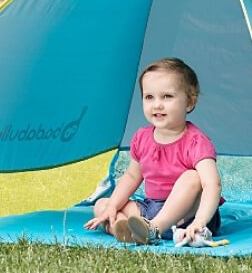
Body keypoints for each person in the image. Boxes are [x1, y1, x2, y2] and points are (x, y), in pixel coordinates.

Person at [84, 57, 222, 245]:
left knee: (193, 177)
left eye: (167, 97)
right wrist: (113, 206)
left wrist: (200, 221)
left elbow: (212, 184)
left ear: (189, 102)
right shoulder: (142, 137)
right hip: (151, 209)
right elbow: (132, 177)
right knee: (103, 205)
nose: (157, 104)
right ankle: (122, 228)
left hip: (188, 217)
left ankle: (152, 229)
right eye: (149, 97)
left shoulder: (196, 142)